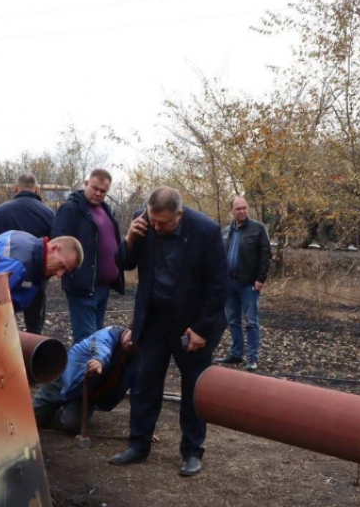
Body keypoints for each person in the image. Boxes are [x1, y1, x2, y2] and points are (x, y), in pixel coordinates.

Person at [108, 187, 227, 477]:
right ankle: (138, 444)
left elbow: (219, 286)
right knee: (144, 382)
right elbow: (124, 263)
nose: (156, 227)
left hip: (192, 324)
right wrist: (130, 238)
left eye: (163, 223)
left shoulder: (206, 231)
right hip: (154, 320)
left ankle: (192, 451)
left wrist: (201, 329)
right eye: (153, 220)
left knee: (193, 388)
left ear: (180, 214)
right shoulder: (143, 221)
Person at [52, 169, 125, 343]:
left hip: (103, 287)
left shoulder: (107, 210)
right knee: (87, 341)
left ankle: (94, 369)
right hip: (83, 287)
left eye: (103, 191)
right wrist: (73, 275)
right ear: (86, 183)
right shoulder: (71, 209)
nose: (98, 193)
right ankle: (81, 370)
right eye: (95, 188)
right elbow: (58, 245)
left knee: (97, 338)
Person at [0, 173, 56, 334]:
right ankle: (33, 349)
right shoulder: (48, 213)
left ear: (15, 188)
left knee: (3, 319)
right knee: (34, 322)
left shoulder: (0, 212)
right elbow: (55, 247)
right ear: (37, 189)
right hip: (36, 276)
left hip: (4, 276)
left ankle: (6, 350)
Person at [32, 325, 138, 432]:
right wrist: (99, 361)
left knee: (73, 425)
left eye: (137, 343)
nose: (131, 343)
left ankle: (59, 416)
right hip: (64, 379)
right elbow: (102, 346)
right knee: (32, 419)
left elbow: (140, 392)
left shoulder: (139, 360)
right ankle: (45, 415)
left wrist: (142, 429)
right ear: (129, 329)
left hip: (84, 393)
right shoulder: (108, 334)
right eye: (132, 337)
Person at [0, 231, 83, 314]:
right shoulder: (19, 263)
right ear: (54, 248)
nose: (60, 274)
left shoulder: (29, 244)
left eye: (65, 271)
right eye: (61, 266)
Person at [214, 196, 271, 371]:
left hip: (248, 284)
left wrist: (260, 279)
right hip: (229, 284)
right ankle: (236, 353)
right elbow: (219, 258)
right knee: (233, 320)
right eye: (238, 208)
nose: (242, 211)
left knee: (251, 322)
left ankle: (252, 358)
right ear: (231, 210)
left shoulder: (258, 229)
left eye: (244, 207)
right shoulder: (225, 232)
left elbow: (265, 255)